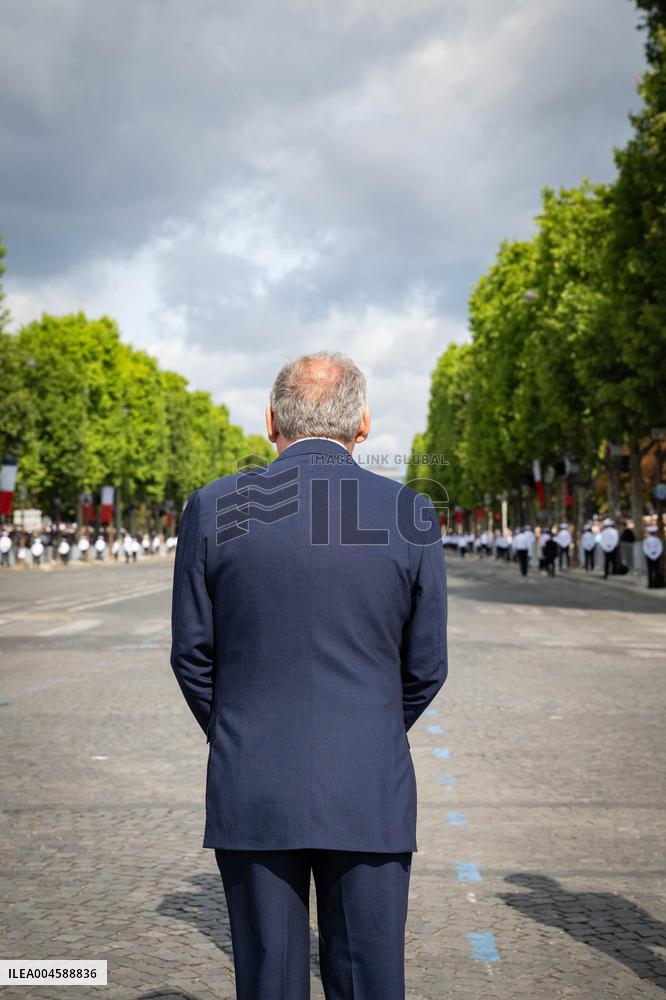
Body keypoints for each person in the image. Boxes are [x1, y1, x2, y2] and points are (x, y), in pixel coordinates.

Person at [170, 352, 448, 1000]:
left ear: (271, 420)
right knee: (370, 980)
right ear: (364, 423)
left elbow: (192, 654)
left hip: (253, 777)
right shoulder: (410, 511)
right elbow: (427, 665)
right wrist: (372, 729)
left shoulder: (212, 506)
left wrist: (241, 730)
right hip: (369, 781)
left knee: (268, 981)